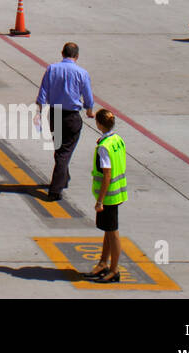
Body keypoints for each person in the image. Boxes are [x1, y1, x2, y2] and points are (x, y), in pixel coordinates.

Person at [35, 42, 96, 202]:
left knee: (60, 149)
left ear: (62, 53)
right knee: (64, 152)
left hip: (55, 114)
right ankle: (55, 189)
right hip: (71, 116)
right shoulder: (82, 73)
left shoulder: (52, 69)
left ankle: (64, 177)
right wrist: (89, 110)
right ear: (76, 56)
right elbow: (88, 96)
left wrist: (40, 111)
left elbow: (43, 91)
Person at [84, 108, 127, 283]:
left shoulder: (104, 147)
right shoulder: (117, 140)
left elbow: (107, 175)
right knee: (108, 231)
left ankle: (114, 270)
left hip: (108, 195)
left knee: (113, 232)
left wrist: (100, 200)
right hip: (118, 191)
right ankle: (103, 262)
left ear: (99, 124)